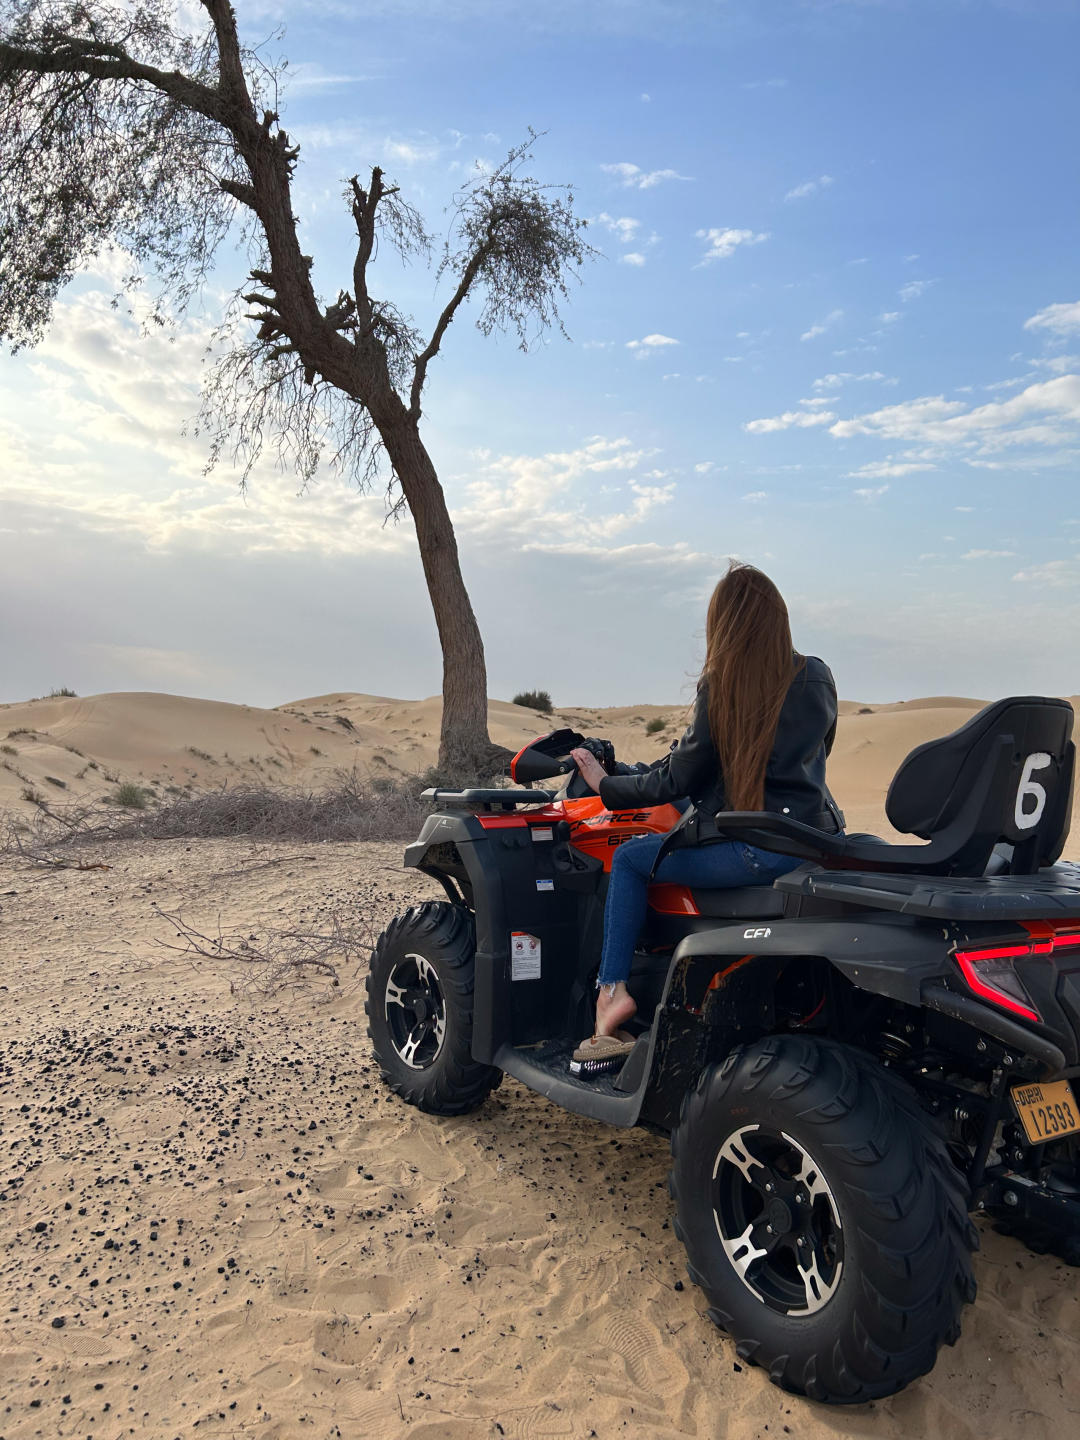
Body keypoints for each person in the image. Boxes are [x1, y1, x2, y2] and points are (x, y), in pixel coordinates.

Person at [569, 562, 840, 1071]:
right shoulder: (818, 675)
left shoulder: (722, 685)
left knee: (629, 859)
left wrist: (604, 785)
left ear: (724, 624)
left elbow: (675, 781)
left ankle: (612, 993)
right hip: (812, 841)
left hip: (758, 852)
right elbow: (817, 753)